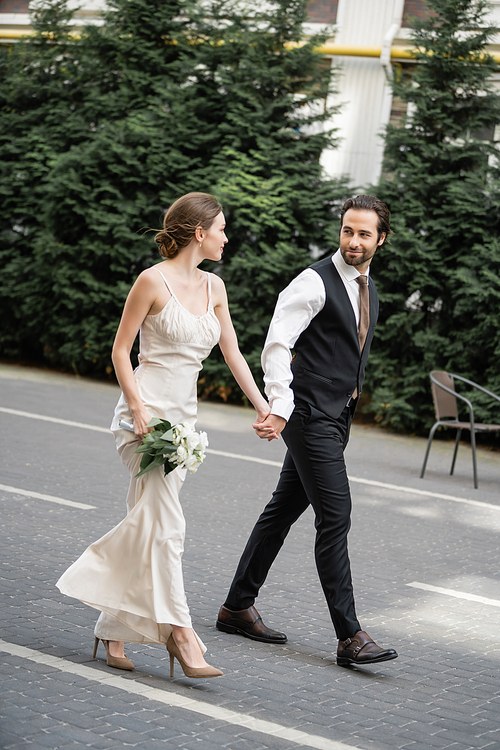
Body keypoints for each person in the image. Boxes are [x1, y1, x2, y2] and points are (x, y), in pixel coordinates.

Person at [57, 192, 276, 679]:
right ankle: (183, 637)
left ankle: (112, 629)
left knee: (152, 523)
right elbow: (120, 351)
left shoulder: (215, 287)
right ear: (199, 232)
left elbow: (233, 354)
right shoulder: (150, 281)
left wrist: (266, 408)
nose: (226, 236)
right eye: (221, 228)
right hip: (145, 419)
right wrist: (136, 409)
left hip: (184, 424)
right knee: (168, 529)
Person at [216, 195, 399, 667]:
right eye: (347, 231)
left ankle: (237, 607)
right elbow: (278, 345)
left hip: (336, 417)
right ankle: (349, 636)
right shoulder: (313, 282)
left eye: (363, 234)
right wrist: (279, 403)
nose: (353, 241)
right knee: (335, 515)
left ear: (381, 239)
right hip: (308, 415)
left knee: (281, 511)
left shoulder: (367, 288)